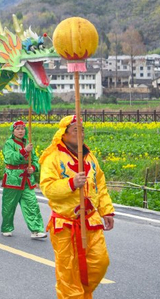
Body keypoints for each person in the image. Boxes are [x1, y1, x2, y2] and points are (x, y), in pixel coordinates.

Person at [39, 115, 115, 299]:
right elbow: (47, 188)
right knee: (68, 272)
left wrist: (106, 209)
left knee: (99, 263)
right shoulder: (52, 157)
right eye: (75, 130)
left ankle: (83, 294)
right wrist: (71, 183)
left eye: (82, 130)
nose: (80, 133)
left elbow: (100, 184)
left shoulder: (90, 157)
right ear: (63, 134)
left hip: (90, 219)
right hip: (65, 224)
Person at [1, 120, 46, 239]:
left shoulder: (28, 143)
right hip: (13, 179)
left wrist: (33, 168)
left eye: (22, 129)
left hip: (27, 179)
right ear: (13, 131)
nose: (20, 131)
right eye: (18, 129)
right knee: (9, 205)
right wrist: (24, 151)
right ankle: (7, 227)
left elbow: (35, 159)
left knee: (32, 204)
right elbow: (10, 158)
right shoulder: (9, 143)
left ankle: (36, 230)